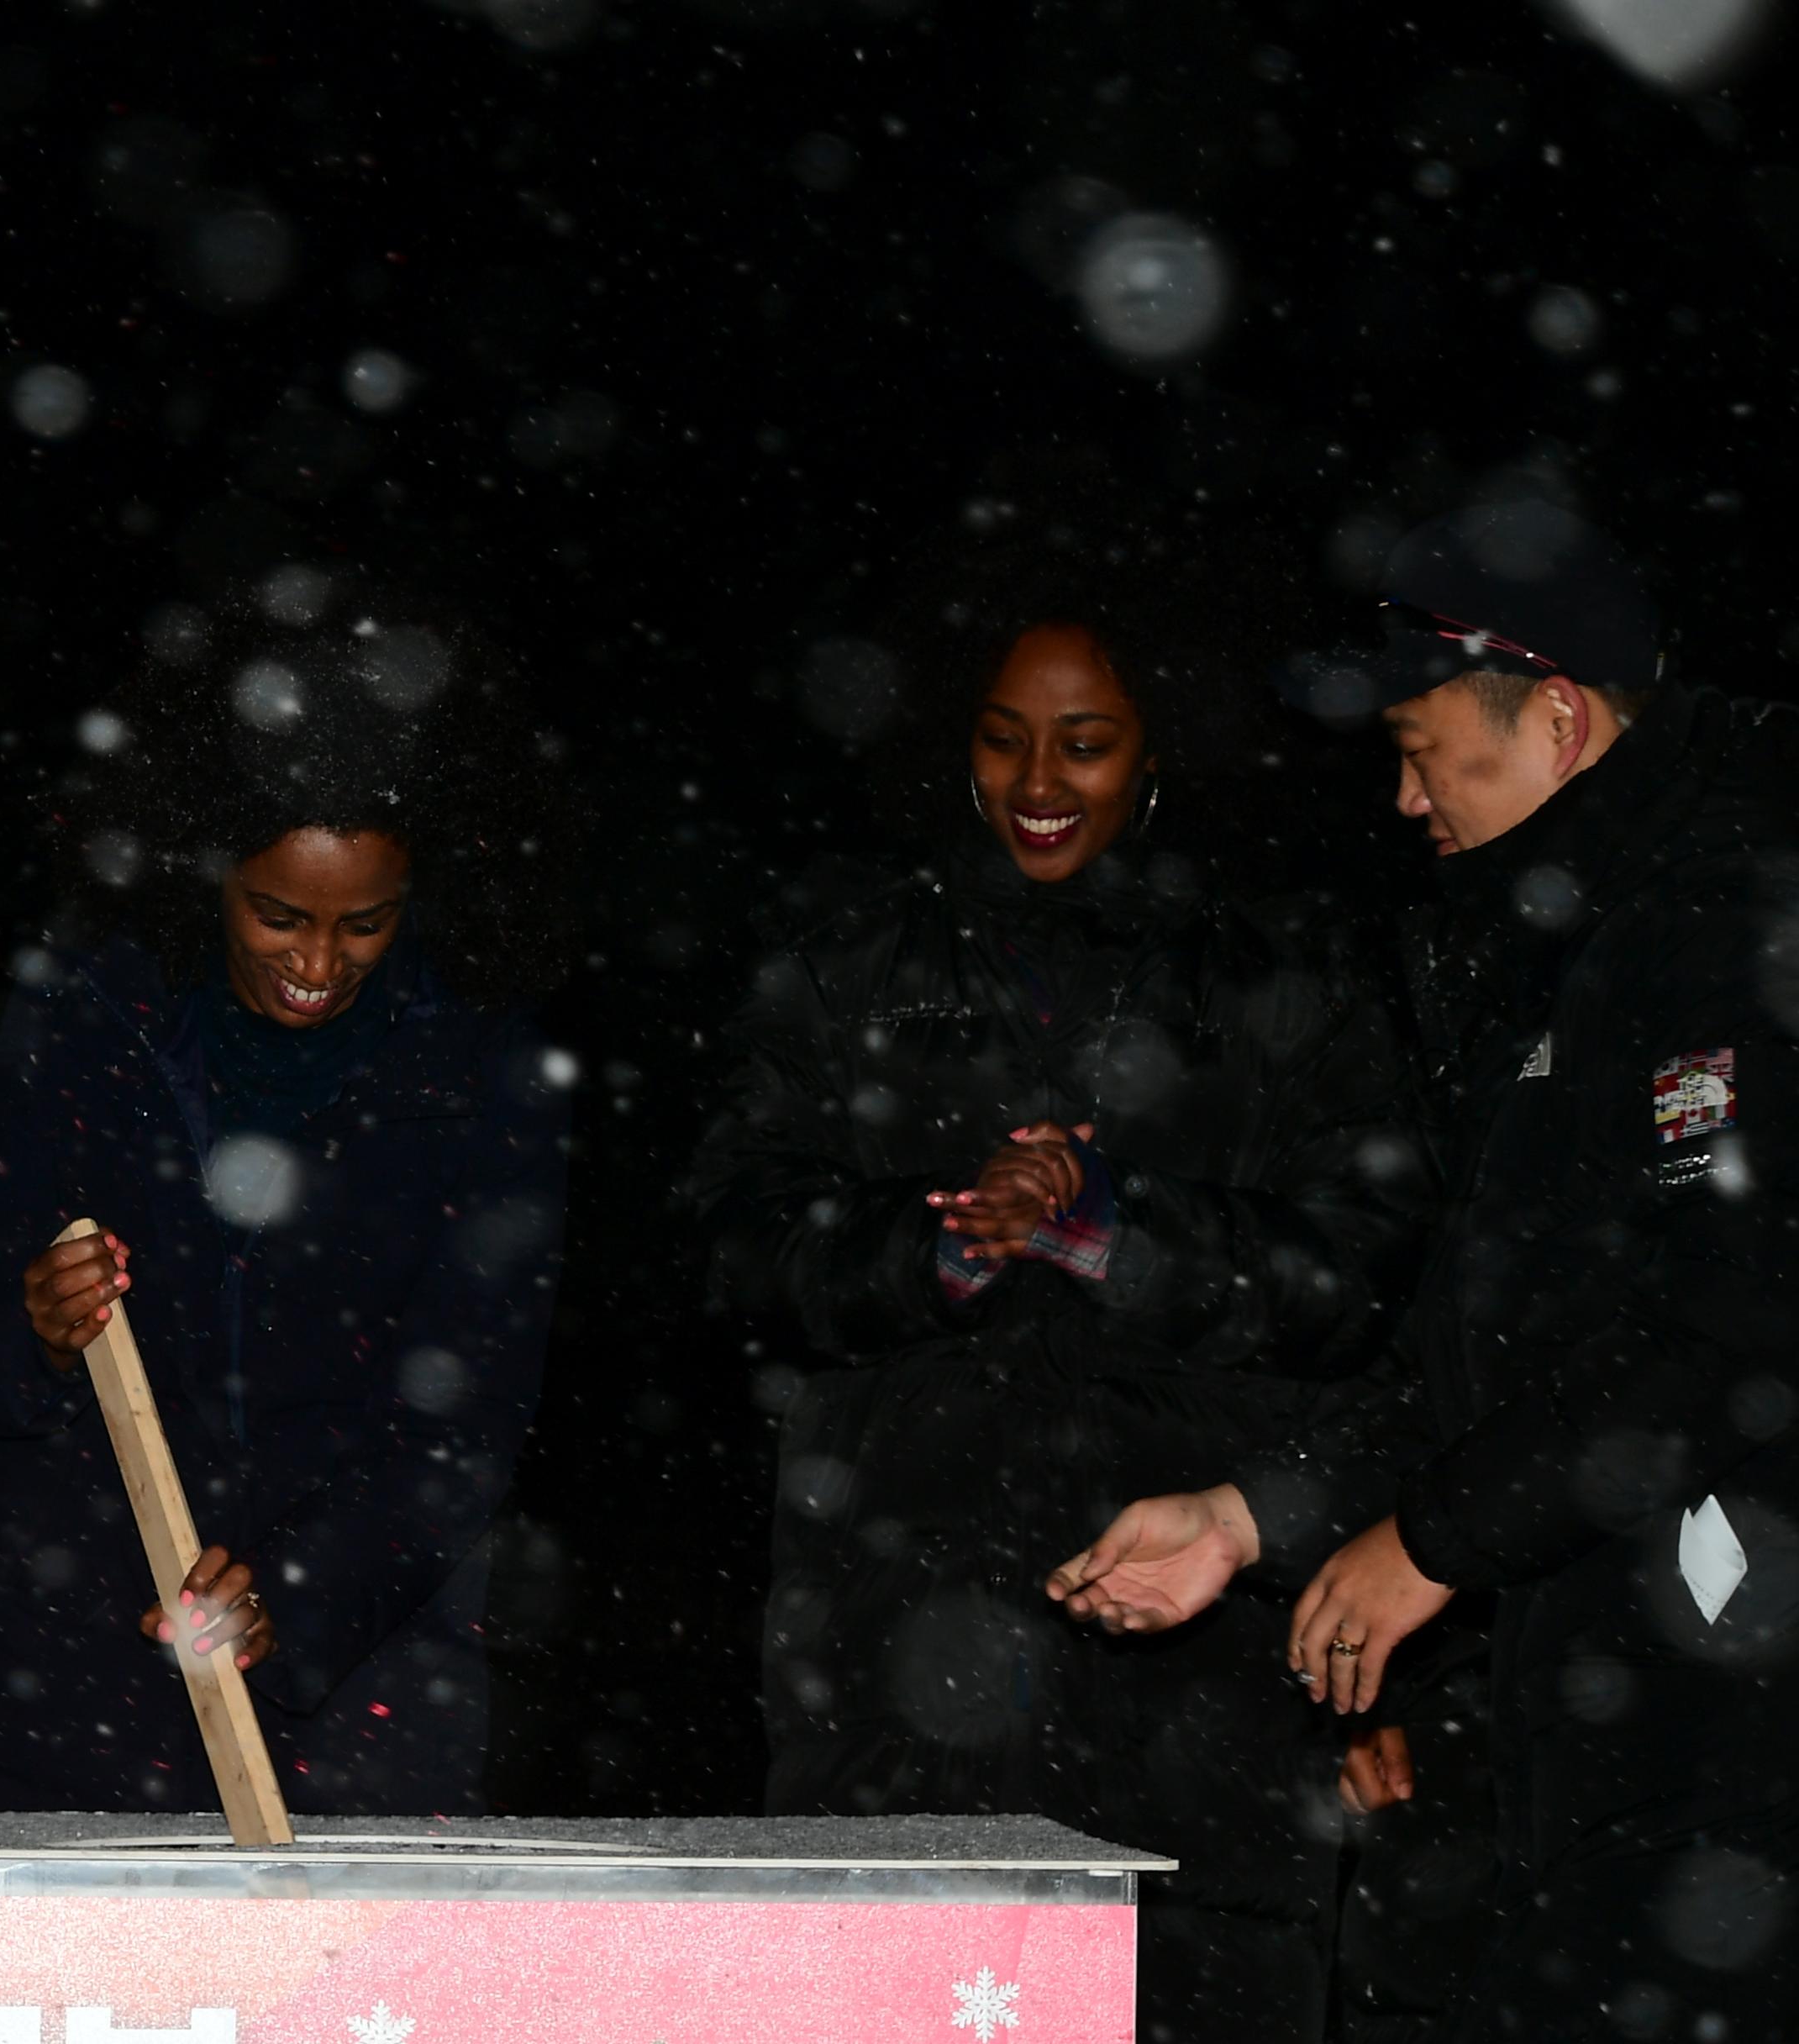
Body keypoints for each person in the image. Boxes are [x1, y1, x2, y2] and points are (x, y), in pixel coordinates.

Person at [1053, 501, 1799, 2039]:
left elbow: (1729, 1326)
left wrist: (1437, 1543)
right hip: (1616, 1727)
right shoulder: (1568, 954)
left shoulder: (1731, 928)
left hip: (1740, 1740)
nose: (1401, 798)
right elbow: (1500, 1351)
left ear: (1562, 717)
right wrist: (1255, 1514)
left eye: (1423, 745)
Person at [687, 531, 1433, 2044]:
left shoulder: (1283, 973)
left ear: (1162, 748)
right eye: (1003, 736)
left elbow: (1364, 1287)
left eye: (1085, 744)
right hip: (889, 1641)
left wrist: (1113, 1227)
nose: (1040, 780)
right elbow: (727, 1253)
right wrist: (942, 1239)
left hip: (1192, 1677)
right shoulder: (844, 960)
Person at [0, 579, 577, 1815]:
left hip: (365, 1702)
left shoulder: (482, 1079)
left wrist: (302, 1594)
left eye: (364, 925)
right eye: (278, 916)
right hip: (68, 1680)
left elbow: (469, 1420)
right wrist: (34, 1329)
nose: (319, 964)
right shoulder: (86, 1023)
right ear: (207, 870)